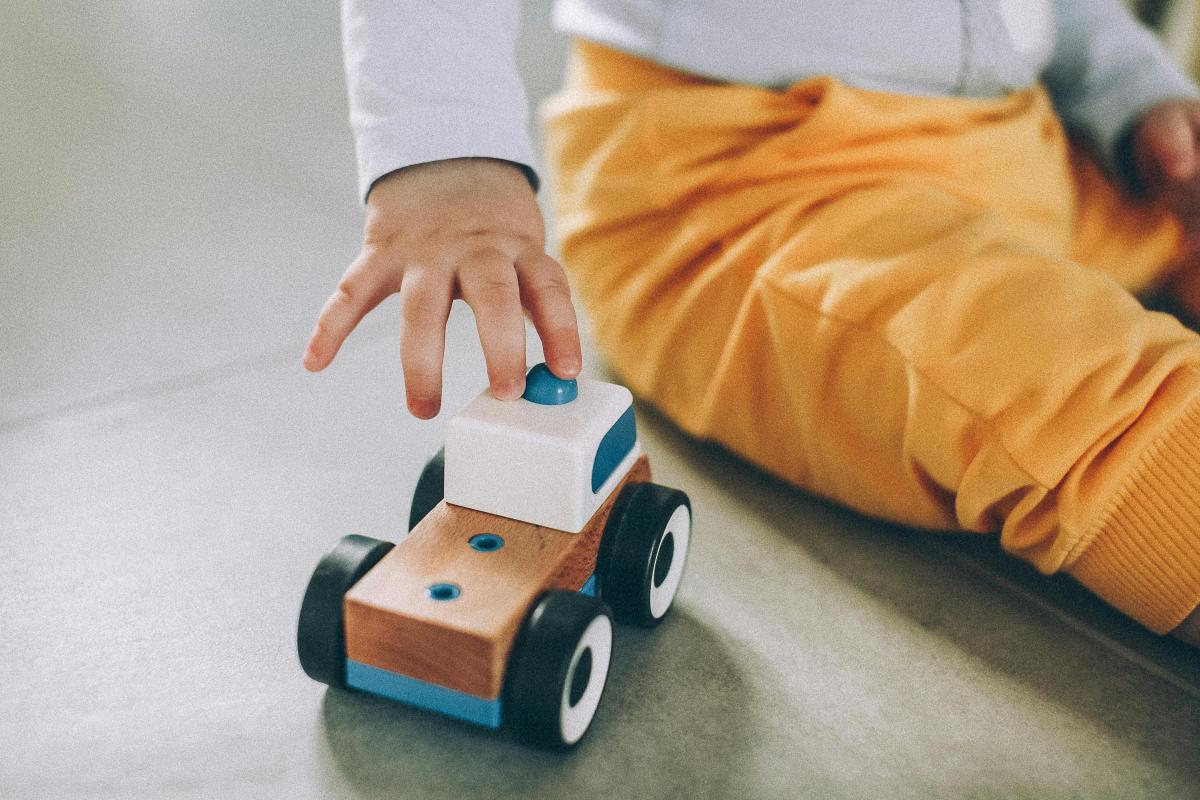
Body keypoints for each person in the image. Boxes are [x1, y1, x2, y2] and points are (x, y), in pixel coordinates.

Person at [303, 1, 1200, 646]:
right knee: (1077, 394)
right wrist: (447, 155)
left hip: (1025, 135)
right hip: (744, 180)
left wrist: (1128, 84)